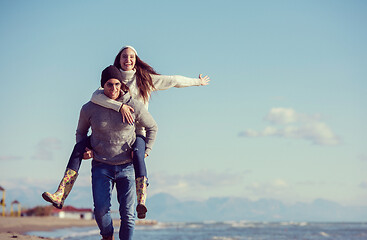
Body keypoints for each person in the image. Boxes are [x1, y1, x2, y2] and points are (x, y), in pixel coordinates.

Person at [42, 45, 210, 219]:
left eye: (131, 57)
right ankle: (61, 194)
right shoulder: (111, 79)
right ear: (119, 59)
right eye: (124, 56)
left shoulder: (145, 80)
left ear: (136, 60)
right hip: (110, 132)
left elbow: (174, 80)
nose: (128, 60)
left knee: (139, 153)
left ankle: (142, 201)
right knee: (78, 148)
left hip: (137, 132)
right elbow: (95, 97)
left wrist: (197, 82)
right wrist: (120, 106)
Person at [79, 65, 157, 240]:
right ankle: (107, 236)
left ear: (122, 84)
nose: (113, 89)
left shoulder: (134, 105)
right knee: (100, 210)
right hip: (101, 165)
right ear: (102, 85)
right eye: (109, 85)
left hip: (127, 167)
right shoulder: (89, 108)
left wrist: (146, 151)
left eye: (117, 84)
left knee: (128, 215)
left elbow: (152, 127)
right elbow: (80, 132)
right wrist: (84, 149)